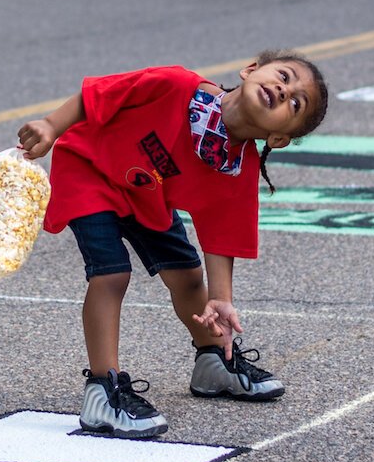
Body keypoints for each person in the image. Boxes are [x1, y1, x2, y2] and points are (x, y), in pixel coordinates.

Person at [17, 51, 329, 439]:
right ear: (250, 70)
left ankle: (215, 359)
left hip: (147, 195)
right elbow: (98, 94)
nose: (284, 90)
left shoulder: (236, 164)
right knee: (112, 275)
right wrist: (50, 125)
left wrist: (221, 299)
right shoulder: (176, 85)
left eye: (295, 102)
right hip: (90, 168)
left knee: (188, 276)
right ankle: (103, 390)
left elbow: (221, 234)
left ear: (279, 138)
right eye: (284, 76)